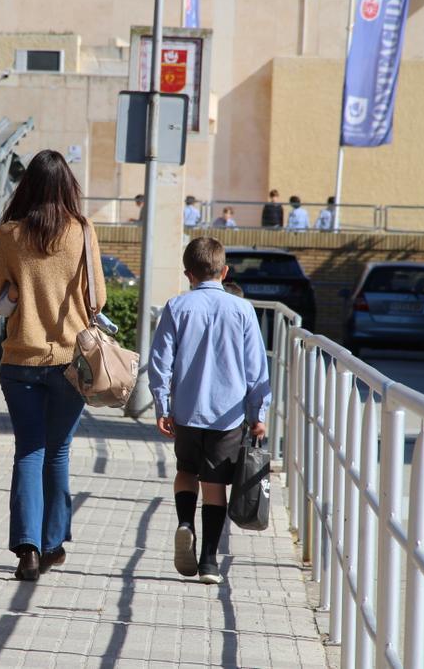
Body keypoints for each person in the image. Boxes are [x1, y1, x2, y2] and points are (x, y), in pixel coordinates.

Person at [0, 150, 107, 582]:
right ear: (68, 186)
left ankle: (27, 549)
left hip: (20, 359)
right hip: (70, 361)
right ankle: (52, 544)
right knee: (59, 451)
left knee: (28, 450)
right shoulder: (83, 232)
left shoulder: (10, 234)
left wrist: (17, 294)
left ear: (27, 185)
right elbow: (99, 300)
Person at [148, 237, 271, 585]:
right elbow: (256, 370)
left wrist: (162, 404)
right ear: (225, 271)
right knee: (214, 485)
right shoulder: (243, 310)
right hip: (227, 416)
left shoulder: (176, 307)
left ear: (188, 274)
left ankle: (185, 523)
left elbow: (160, 363)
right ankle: (209, 563)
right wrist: (258, 413)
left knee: (186, 471)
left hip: (187, 411)